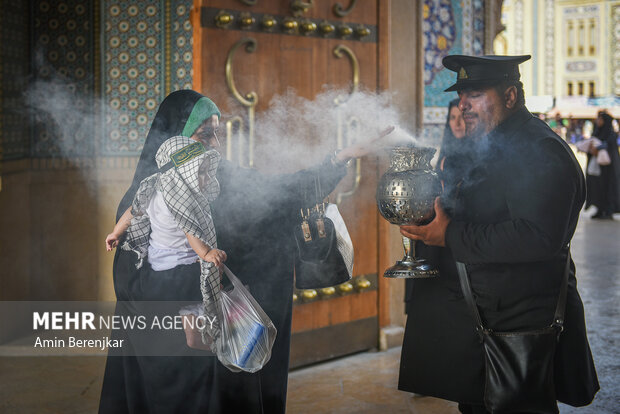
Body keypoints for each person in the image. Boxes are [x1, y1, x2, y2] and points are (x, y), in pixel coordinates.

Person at [99, 89, 393, 413]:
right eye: (204, 134)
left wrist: (340, 158)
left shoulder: (219, 177)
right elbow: (129, 283)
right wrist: (194, 284)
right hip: (167, 348)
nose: (214, 144)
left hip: (216, 334)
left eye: (217, 133)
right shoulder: (147, 191)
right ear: (175, 140)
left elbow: (280, 194)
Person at [397, 55, 599, 414]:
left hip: (516, 325)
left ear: (509, 96)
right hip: (483, 322)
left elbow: (537, 236)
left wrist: (450, 234)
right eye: (461, 94)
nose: (463, 103)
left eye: (474, 93)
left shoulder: (539, 150)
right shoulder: (493, 144)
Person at [586, 110, 620, 219]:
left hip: (608, 169)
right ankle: (600, 209)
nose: (598, 121)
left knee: (608, 188)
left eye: (600, 119)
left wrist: (598, 148)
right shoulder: (597, 132)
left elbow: (609, 147)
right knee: (597, 188)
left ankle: (608, 210)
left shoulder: (610, 134)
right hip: (598, 168)